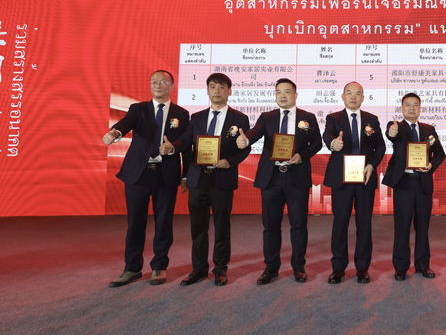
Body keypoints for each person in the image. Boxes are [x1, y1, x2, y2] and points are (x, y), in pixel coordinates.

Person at [160, 73, 251, 286]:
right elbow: (186, 140)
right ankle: (199, 269)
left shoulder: (240, 119)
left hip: (222, 178)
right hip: (198, 179)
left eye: (221, 87)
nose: (216, 91)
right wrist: (173, 147)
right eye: (212, 86)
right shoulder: (197, 117)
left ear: (229, 91)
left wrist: (230, 161)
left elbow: (244, 148)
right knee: (198, 227)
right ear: (207, 91)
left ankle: (220, 269)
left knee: (222, 226)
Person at [104, 70, 189, 287]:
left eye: (163, 82)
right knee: (135, 223)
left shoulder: (182, 114)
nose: (158, 85)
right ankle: (132, 268)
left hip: (166, 174)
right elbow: (127, 122)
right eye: (154, 82)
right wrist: (115, 132)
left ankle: (159, 266)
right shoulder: (138, 109)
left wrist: (186, 174)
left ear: (172, 86)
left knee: (164, 223)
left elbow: (187, 144)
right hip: (138, 174)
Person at [236, 78, 322, 284]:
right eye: (278, 92)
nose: (282, 95)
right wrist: (245, 139)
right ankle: (271, 267)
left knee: (298, 225)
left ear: (295, 95)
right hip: (271, 178)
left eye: (286, 92)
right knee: (270, 226)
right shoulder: (267, 117)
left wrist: (301, 155)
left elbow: (317, 143)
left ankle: (298, 266)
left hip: (296, 176)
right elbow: (255, 132)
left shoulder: (307, 117)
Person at [322, 82, 386, 284]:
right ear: (343, 96)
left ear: (363, 98)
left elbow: (380, 147)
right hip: (342, 179)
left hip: (364, 177)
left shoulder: (371, 120)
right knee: (340, 223)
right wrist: (333, 143)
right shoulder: (334, 118)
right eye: (349, 93)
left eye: (357, 94)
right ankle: (338, 268)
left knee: (364, 224)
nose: (353, 97)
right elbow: (327, 135)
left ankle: (362, 268)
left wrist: (372, 165)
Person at [382, 93, 445, 281]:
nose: (411, 108)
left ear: (420, 108)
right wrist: (391, 133)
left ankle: (423, 265)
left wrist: (431, 165)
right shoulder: (397, 127)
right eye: (407, 105)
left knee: (423, 227)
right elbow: (391, 135)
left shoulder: (429, 129)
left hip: (423, 182)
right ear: (402, 108)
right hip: (404, 183)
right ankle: (400, 267)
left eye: (415, 105)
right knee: (402, 226)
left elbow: (440, 154)